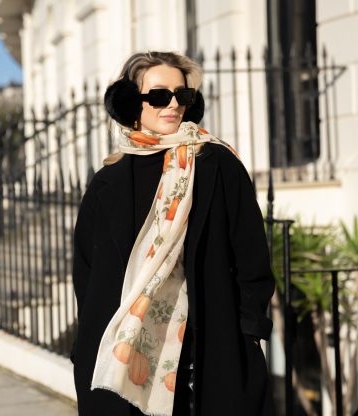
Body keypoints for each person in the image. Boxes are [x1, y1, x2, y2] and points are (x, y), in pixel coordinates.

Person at [70, 51, 275, 416]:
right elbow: (86, 270)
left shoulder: (218, 165)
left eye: (183, 95)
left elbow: (251, 255)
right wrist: (88, 341)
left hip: (209, 351)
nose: (174, 105)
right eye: (160, 95)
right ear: (130, 101)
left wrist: (248, 332)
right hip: (122, 356)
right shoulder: (107, 182)